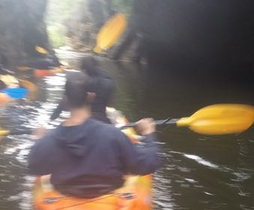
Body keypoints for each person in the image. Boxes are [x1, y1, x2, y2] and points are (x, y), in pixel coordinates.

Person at [28, 72, 160, 197]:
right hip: (108, 192)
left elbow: (34, 167)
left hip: (65, 193)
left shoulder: (50, 139)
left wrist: (39, 140)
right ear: (90, 97)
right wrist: (148, 134)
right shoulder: (113, 134)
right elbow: (148, 163)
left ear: (65, 100)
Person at [50, 55, 114, 124]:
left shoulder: (82, 80)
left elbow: (66, 99)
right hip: (102, 117)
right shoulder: (108, 80)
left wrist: (53, 117)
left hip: (86, 118)